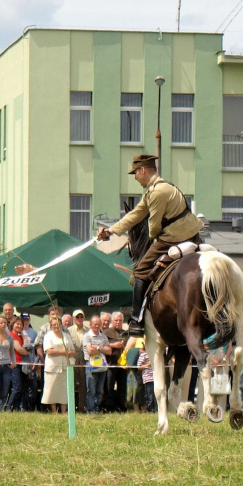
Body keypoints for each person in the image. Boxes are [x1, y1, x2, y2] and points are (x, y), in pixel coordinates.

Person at [97, 154, 203, 336]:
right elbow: (135, 215)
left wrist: (154, 238)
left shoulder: (156, 193)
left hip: (175, 237)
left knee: (140, 272)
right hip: (193, 235)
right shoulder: (164, 187)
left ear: (143, 170)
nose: (136, 178)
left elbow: (153, 228)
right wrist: (111, 231)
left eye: (135, 173)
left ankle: (136, 321)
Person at [40, 316, 76, 413]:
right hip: (53, 367)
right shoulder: (48, 336)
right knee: (52, 390)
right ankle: (54, 411)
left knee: (64, 390)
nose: (56, 326)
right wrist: (63, 352)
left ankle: (64, 411)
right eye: (54, 324)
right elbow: (49, 351)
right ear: (51, 325)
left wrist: (71, 353)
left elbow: (73, 350)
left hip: (65, 367)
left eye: (58, 324)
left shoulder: (67, 336)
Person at [82, 316, 111, 414]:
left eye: (99, 324)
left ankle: (97, 408)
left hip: (102, 367)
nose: (97, 326)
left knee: (99, 390)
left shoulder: (103, 336)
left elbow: (109, 351)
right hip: (90, 365)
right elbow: (89, 351)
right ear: (90, 325)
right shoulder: (86, 336)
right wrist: (102, 349)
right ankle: (91, 410)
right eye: (95, 324)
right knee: (91, 390)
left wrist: (98, 348)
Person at [103, 312, 128, 412]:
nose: (118, 322)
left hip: (123, 365)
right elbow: (102, 344)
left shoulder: (125, 333)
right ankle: (109, 407)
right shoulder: (106, 332)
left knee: (122, 387)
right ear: (112, 321)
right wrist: (113, 345)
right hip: (111, 364)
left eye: (120, 320)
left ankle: (121, 407)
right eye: (116, 320)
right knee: (109, 387)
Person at [7, 316, 32, 411]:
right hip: (15, 365)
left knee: (21, 388)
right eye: (17, 324)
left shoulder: (20, 335)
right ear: (12, 325)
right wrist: (27, 352)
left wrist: (23, 335)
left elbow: (26, 344)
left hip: (22, 365)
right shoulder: (11, 335)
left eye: (21, 324)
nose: (19, 326)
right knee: (17, 388)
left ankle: (16, 408)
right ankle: (9, 408)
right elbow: (20, 349)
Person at [68, 309, 90, 412]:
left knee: (83, 386)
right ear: (74, 319)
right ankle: (71, 407)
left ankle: (82, 407)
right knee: (70, 385)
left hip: (84, 362)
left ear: (84, 318)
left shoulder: (88, 330)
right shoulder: (68, 331)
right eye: (77, 317)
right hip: (72, 362)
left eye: (81, 317)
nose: (80, 319)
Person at [137, 341, 155, 412]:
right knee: (149, 395)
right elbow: (138, 367)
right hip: (148, 378)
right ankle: (150, 410)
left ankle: (156, 409)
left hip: (156, 378)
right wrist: (148, 364)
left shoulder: (155, 355)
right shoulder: (143, 355)